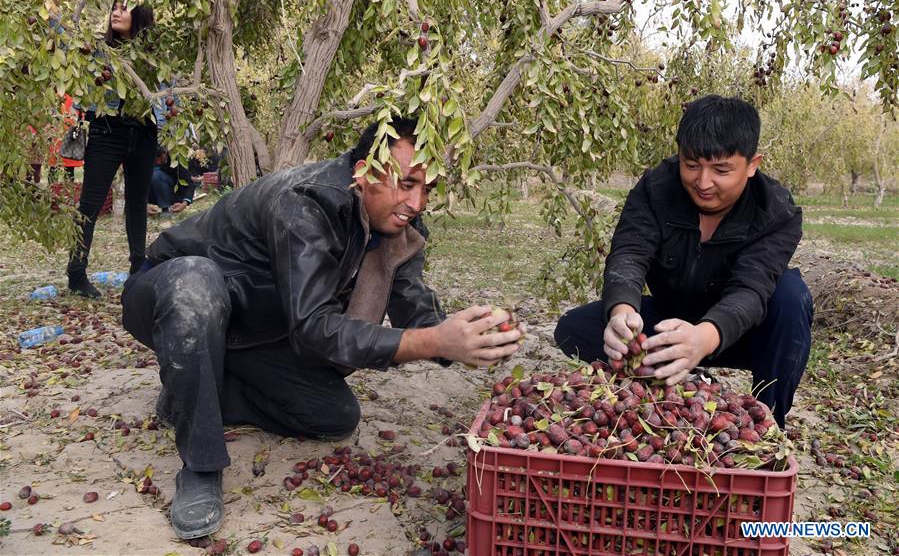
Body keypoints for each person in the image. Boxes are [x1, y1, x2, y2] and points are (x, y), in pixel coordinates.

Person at [120, 116, 526, 541]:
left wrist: (464, 338)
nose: (417, 202)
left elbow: (416, 315)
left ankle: (188, 395)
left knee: (333, 415)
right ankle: (201, 467)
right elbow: (314, 327)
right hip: (168, 293)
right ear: (364, 172)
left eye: (426, 189)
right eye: (407, 184)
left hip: (248, 325)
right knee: (195, 284)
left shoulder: (398, 227)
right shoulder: (306, 202)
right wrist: (431, 340)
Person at [554, 95, 812, 428]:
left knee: (791, 297)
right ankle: (687, 380)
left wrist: (705, 336)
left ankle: (767, 423)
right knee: (576, 328)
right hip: (670, 323)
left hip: (740, 331)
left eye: (721, 170)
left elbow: (752, 288)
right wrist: (623, 313)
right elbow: (629, 254)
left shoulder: (776, 211)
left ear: (752, 164)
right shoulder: (655, 188)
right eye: (691, 165)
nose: (703, 183)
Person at [66, 0, 158, 298]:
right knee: (90, 205)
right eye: (113, 8)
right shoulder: (101, 50)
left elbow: (168, 91)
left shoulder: (153, 53)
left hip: (143, 134)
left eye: (123, 8)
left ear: (139, 14)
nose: (115, 13)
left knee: (137, 204)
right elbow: (82, 85)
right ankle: (76, 273)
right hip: (107, 132)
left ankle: (137, 269)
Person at [148, 146, 199, 215]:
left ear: (166, 153)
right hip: (152, 195)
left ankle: (166, 208)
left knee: (156, 175)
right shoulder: (145, 160)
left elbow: (190, 183)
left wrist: (184, 203)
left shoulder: (175, 159)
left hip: (172, 193)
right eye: (157, 159)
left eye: (162, 158)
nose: (159, 162)